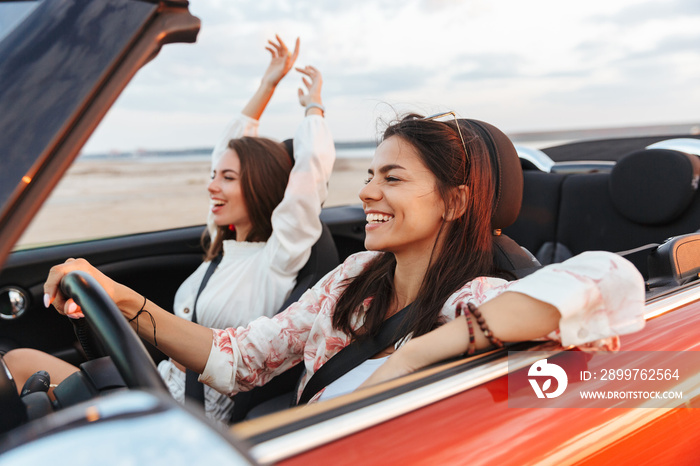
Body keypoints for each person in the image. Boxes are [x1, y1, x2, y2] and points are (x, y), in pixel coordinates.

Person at [38, 112, 645, 407]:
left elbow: (611, 278)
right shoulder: (352, 277)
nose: (366, 192)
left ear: (456, 201)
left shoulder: (473, 299)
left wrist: (421, 352)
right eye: (370, 174)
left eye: (393, 178)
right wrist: (122, 298)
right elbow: (238, 359)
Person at [5, 35, 336, 422]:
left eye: (227, 178)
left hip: (187, 414)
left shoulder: (279, 257)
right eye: (214, 175)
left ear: (261, 187)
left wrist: (314, 106)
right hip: (155, 384)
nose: (212, 184)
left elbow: (311, 170)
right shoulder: (224, 246)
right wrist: (268, 84)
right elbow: (226, 149)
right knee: (18, 360)